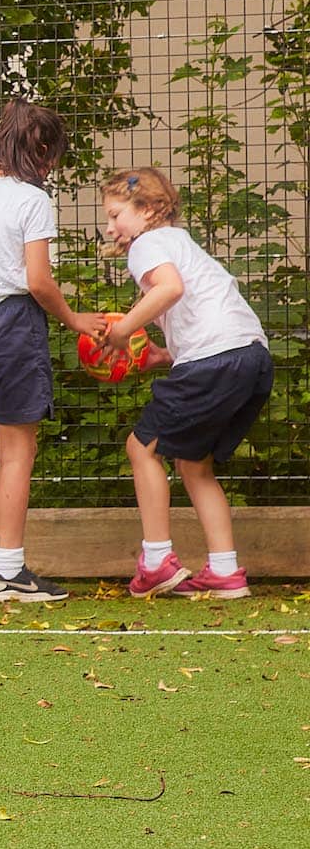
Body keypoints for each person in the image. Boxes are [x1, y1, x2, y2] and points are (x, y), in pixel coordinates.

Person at [98, 167, 273, 599]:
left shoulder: (147, 244)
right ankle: (225, 571)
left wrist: (122, 331)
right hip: (251, 358)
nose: (109, 227)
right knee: (194, 464)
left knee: (141, 447)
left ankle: (156, 561)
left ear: (150, 210)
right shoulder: (180, 242)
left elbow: (170, 290)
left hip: (214, 360)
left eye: (116, 214)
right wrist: (164, 355)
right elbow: (208, 314)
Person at [0, 100, 104, 603]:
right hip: (12, 324)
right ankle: (12, 570)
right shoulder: (31, 199)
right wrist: (74, 319)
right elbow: (38, 281)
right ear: (39, 148)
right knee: (20, 452)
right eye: (51, 155)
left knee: (6, 451)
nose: (52, 166)